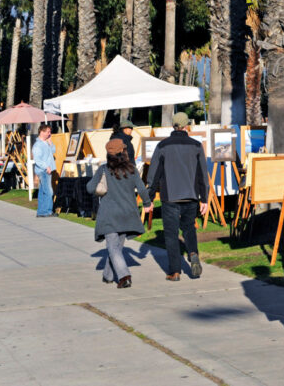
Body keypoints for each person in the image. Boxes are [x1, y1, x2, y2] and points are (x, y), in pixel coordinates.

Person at [144, 112, 210, 281]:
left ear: (173, 125)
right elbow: (203, 174)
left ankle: (175, 271)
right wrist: (204, 199)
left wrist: (149, 198)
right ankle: (193, 252)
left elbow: (154, 174)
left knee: (171, 234)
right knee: (189, 228)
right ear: (187, 125)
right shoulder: (196, 145)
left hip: (170, 196)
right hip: (191, 195)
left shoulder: (163, 146)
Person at [87, 139, 153, 288]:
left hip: (109, 215)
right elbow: (142, 189)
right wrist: (147, 203)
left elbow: (90, 188)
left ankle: (124, 276)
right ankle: (108, 275)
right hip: (127, 215)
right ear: (123, 152)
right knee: (116, 248)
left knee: (113, 247)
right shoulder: (132, 169)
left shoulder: (103, 169)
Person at [32, 123, 57, 218]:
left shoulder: (45, 143)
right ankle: (47, 211)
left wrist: (51, 143)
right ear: (41, 132)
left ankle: (41, 211)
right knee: (48, 191)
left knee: (43, 191)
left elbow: (53, 151)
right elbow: (37, 160)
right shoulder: (38, 145)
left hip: (47, 170)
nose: (49, 133)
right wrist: (46, 166)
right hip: (43, 170)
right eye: (48, 132)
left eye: (50, 131)